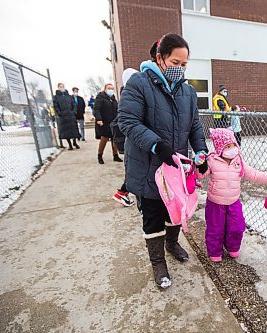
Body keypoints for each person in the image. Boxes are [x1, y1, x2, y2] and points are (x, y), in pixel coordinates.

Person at [118, 33, 208, 289]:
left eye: (184, 64)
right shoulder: (138, 83)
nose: (180, 69)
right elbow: (128, 122)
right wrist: (157, 145)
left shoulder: (188, 92)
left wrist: (200, 153)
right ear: (160, 58)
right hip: (148, 165)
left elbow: (194, 126)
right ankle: (158, 263)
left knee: (175, 211)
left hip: (175, 169)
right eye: (175, 62)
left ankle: (172, 243)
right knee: (153, 216)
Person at [197, 128, 267, 262]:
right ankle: (215, 251)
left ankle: (232, 247)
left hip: (233, 202)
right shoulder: (212, 161)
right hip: (215, 204)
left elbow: (254, 174)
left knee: (237, 227)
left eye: (233, 145)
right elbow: (200, 175)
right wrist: (200, 165)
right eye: (228, 146)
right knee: (215, 228)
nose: (232, 148)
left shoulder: (239, 162)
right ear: (220, 147)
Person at [112, 68, 138, 208]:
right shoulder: (130, 97)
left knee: (133, 171)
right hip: (132, 142)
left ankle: (123, 192)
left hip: (130, 142)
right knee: (134, 172)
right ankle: (122, 192)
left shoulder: (127, 95)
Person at [94, 83, 122, 164]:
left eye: (112, 88)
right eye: (109, 88)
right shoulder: (100, 97)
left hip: (113, 122)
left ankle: (115, 155)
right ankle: (100, 155)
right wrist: (99, 119)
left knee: (114, 139)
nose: (111, 90)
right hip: (103, 122)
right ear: (105, 89)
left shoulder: (113, 99)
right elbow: (96, 109)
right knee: (104, 139)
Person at [53, 83, 81, 149]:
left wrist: (74, 112)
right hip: (63, 117)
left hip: (71, 116)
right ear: (58, 88)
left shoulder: (69, 96)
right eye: (60, 87)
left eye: (63, 86)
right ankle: (70, 144)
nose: (62, 88)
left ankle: (74, 142)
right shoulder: (56, 97)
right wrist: (60, 113)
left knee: (74, 130)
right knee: (66, 132)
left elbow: (74, 104)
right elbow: (56, 106)